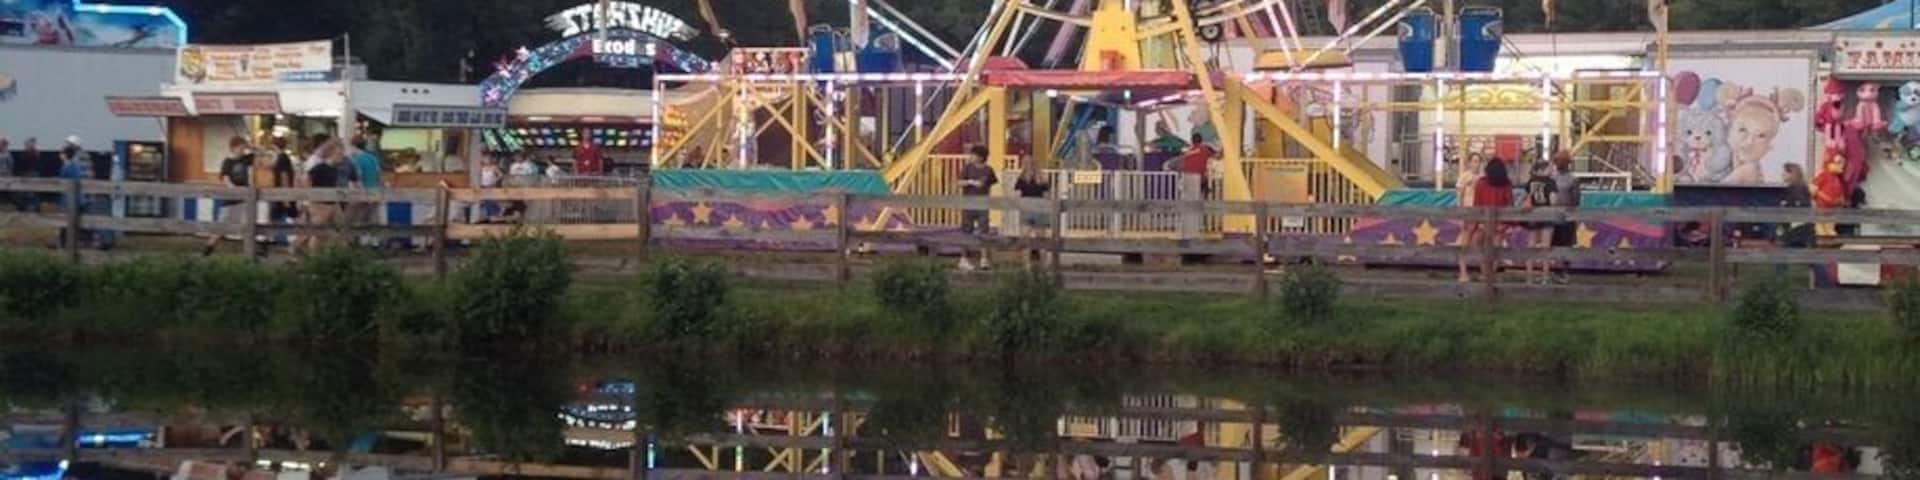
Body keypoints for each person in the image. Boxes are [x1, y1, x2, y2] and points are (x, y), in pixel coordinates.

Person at [1459, 158, 1515, 283]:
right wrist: (1507, 224)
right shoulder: (1506, 184)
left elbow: (1477, 203)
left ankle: (1465, 273)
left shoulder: (1481, 182)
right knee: (1496, 249)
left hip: (1481, 220)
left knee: (1473, 244)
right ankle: (1488, 274)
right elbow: (1510, 204)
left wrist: (1476, 222)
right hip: (1499, 222)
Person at [204, 137, 257, 257]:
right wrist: (234, 189)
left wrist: (251, 146)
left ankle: (250, 253)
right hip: (231, 199)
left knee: (248, 225)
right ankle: (208, 249)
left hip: (245, 198)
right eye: (240, 148)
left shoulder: (246, 159)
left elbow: (262, 154)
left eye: (244, 148)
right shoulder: (227, 162)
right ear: (233, 149)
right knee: (222, 226)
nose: (242, 150)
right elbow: (225, 178)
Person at [294, 140, 346, 256]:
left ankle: (340, 252)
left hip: (332, 202)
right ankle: (307, 252)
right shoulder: (320, 167)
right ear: (332, 153)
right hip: (320, 204)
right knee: (316, 231)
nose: (342, 156)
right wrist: (311, 195)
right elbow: (304, 178)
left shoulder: (335, 169)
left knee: (341, 226)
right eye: (339, 154)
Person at [957, 145, 998, 271]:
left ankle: (984, 259)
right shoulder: (967, 168)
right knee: (966, 231)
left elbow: (989, 184)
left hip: (983, 204)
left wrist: (981, 185)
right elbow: (959, 182)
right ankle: (963, 259)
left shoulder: (988, 170)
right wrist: (970, 182)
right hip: (968, 203)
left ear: (981, 157)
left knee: (983, 231)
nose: (971, 156)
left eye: (974, 154)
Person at [1522, 160, 1557, 285]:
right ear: (1542, 170)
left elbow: (1524, 197)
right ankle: (1545, 276)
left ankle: (1529, 276)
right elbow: (1553, 200)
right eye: (1549, 168)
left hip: (1533, 215)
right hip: (1546, 215)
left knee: (1531, 245)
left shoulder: (1530, 182)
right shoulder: (1551, 182)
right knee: (1545, 247)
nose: (1552, 171)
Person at [1548, 152, 1581, 283]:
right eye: (1557, 161)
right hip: (1553, 216)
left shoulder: (1573, 179)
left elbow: (1576, 199)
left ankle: (1565, 272)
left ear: (1567, 163)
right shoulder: (1551, 178)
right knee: (1554, 244)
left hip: (1567, 217)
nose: (1559, 164)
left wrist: (1571, 213)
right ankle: (1555, 270)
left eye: (1561, 161)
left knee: (1566, 244)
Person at [1013, 160, 1053, 265]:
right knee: (1041, 239)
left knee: (1025, 237)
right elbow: (1047, 196)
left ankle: (1027, 265)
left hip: (1026, 209)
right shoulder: (1042, 180)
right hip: (1040, 209)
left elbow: (1017, 194)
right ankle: (1044, 265)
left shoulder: (1021, 179)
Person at [269, 136, 299, 226]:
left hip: (282, 191)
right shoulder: (282, 158)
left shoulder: (282, 158)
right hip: (283, 191)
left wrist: (285, 196)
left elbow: (284, 176)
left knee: (283, 216)